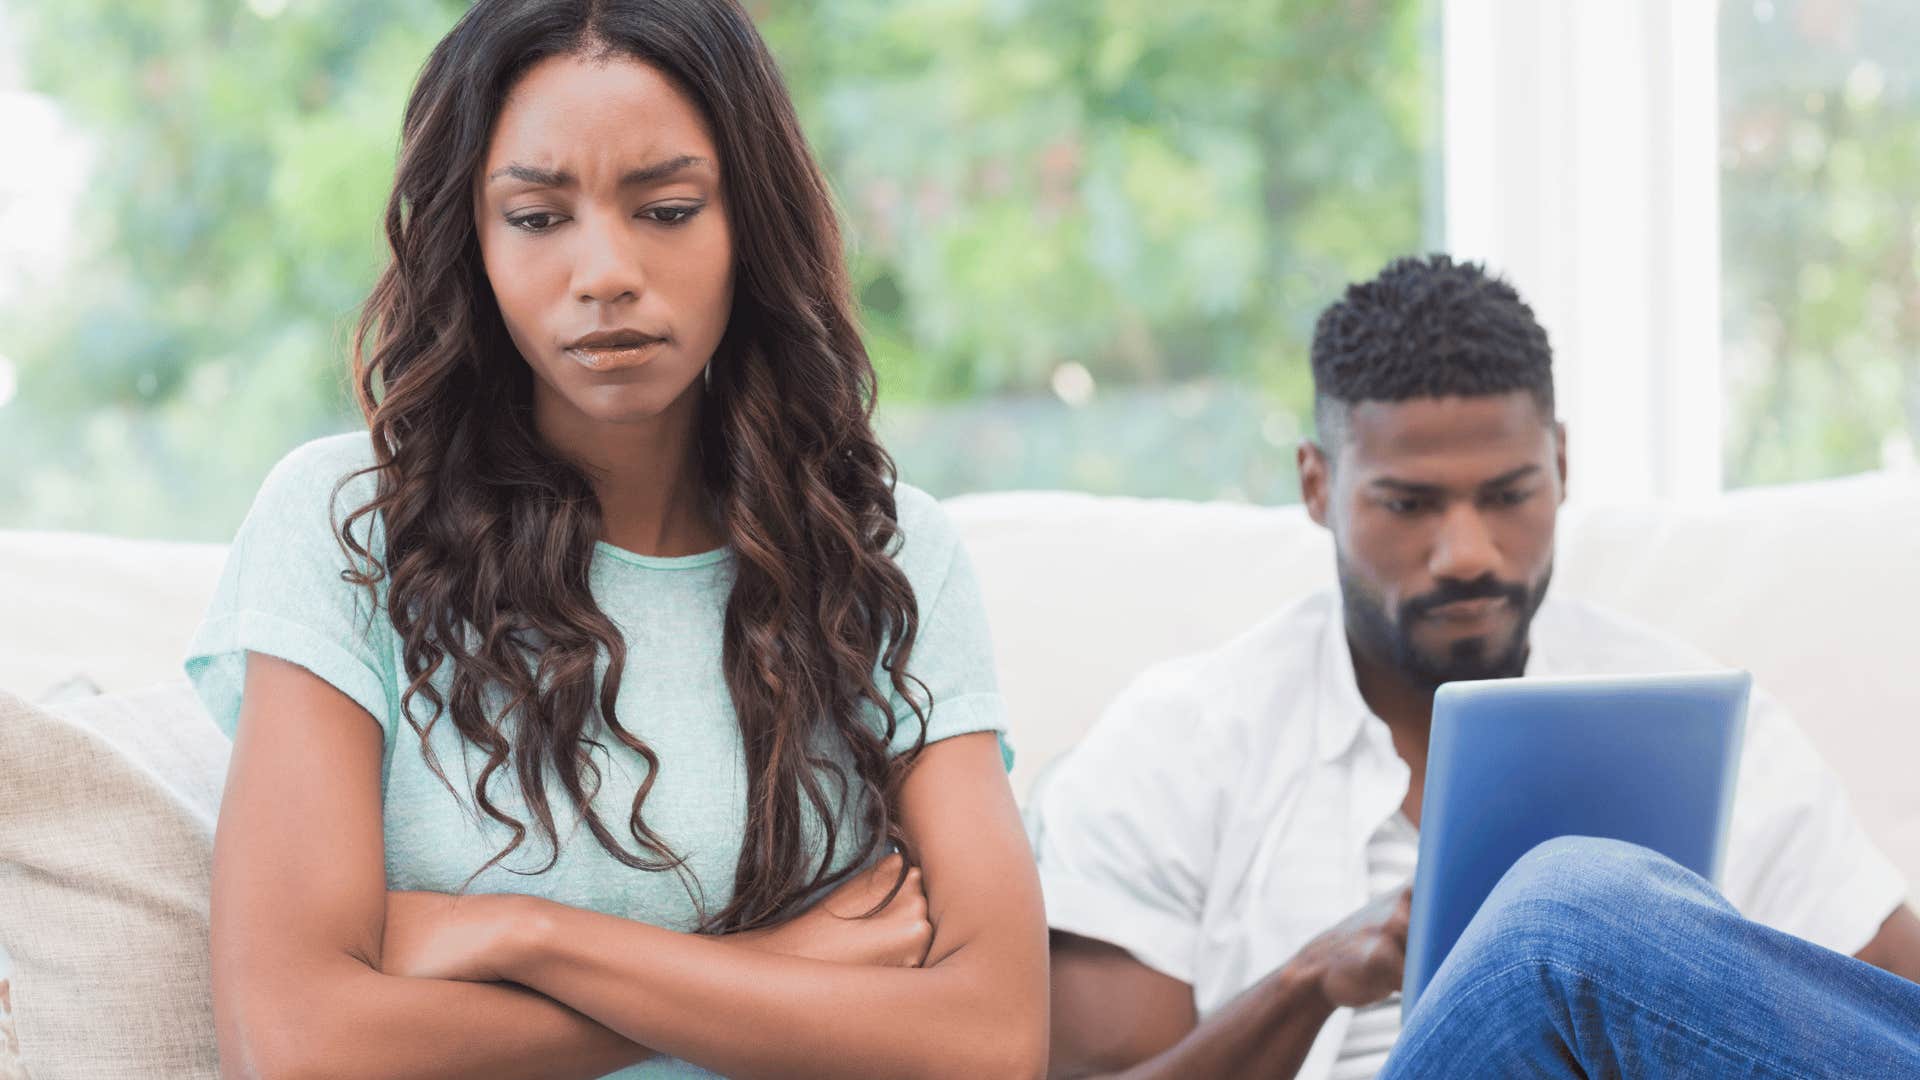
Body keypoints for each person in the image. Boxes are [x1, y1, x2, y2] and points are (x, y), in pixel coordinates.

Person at [184, 2, 1046, 1077]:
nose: (605, 272)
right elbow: (299, 1044)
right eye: (539, 217)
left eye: (668, 208)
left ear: (751, 226)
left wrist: (525, 935)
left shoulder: (884, 549)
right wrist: (775, 972)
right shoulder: (350, 526)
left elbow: (992, 1038)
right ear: (474, 238)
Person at [1027, 254, 1920, 1079]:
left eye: (1507, 495)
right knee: (1566, 904)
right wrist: (1307, 981)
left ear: (1561, 465)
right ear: (1315, 484)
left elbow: (1884, 1016)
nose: (1465, 552)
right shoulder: (1179, 741)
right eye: (1410, 504)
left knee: (1585, 910)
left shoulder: (1693, 721)